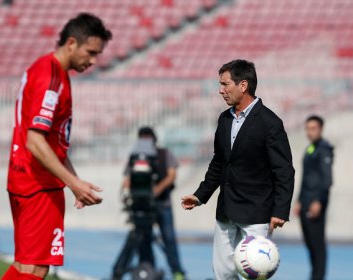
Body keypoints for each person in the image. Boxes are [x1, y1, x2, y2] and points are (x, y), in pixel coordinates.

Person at [2, 13, 112, 280]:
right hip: (37, 183)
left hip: (29, 178)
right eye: (91, 52)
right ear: (71, 43)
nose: (94, 60)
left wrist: (73, 179)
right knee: (35, 268)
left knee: (27, 266)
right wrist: (72, 183)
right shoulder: (50, 79)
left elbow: (52, 142)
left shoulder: (49, 71)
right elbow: (35, 140)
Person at [181, 59, 295, 280]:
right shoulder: (224, 119)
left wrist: (280, 210)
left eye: (225, 84)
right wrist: (200, 195)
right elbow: (219, 162)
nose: (220, 90)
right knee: (222, 273)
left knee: (252, 275)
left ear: (243, 85)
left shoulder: (270, 123)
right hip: (226, 211)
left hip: (256, 213)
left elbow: (283, 170)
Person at [121, 127, 186, 280]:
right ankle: (148, 269)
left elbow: (172, 175)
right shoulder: (135, 157)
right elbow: (127, 179)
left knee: (168, 238)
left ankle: (177, 271)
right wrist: (129, 192)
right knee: (143, 238)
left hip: (163, 204)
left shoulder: (164, 154)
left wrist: (157, 189)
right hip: (142, 204)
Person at [294, 115, 333, 280]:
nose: (309, 132)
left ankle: (318, 276)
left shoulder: (324, 149)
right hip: (305, 202)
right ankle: (314, 275)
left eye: (313, 128)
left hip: (316, 203)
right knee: (309, 242)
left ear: (321, 129)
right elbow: (306, 177)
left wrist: (318, 200)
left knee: (317, 244)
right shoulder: (310, 148)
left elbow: (327, 179)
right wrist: (298, 200)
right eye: (307, 129)